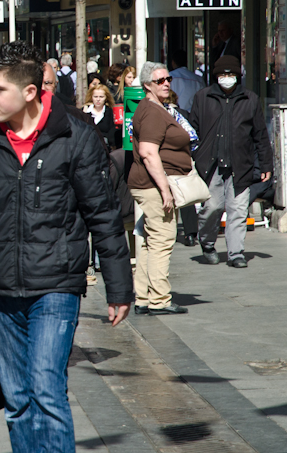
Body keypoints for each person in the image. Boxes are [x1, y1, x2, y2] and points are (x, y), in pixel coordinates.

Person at [0, 42, 131, 453]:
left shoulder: (75, 136)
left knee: (47, 390)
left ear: (30, 92)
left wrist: (119, 287)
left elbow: (102, 215)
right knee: (17, 400)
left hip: (56, 285)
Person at [191, 55, 272, 268]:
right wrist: (192, 158)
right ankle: (207, 243)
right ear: (216, 76)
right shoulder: (203, 97)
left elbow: (260, 135)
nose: (227, 78)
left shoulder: (250, 99)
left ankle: (236, 253)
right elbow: (192, 132)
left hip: (240, 165)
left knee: (238, 210)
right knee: (212, 208)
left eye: (231, 74)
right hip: (210, 166)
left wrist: (265, 165)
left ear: (238, 75)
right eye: (223, 74)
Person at [128, 61, 192, 315]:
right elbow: (148, 152)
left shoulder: (153, 107)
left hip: (147, 184)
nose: (166, 83)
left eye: (168, 79)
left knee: (148, 241)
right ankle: (159, 300)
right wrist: (165, 190)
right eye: (159, 81)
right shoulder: (153, 111)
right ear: (147, 85)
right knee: (162, 241)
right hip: (153, 186)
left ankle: (144, 297)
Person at [83, 83, 119, 151]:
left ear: (106, 98)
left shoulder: (111, 112)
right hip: (86, 148)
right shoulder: (85, 111)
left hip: (104, 148)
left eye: (101, 97)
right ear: (91, 97)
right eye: (95, 97)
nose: (98, 99)